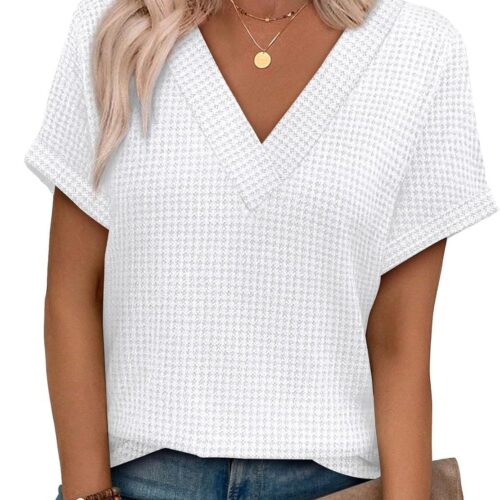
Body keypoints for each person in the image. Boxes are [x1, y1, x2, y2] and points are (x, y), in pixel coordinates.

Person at [24, 0, 498, 498]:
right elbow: (73, 293)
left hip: (334, 484)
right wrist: (88, 494)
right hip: (138, 482)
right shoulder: (114, 26)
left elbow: (399, 338)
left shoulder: (418, 48)